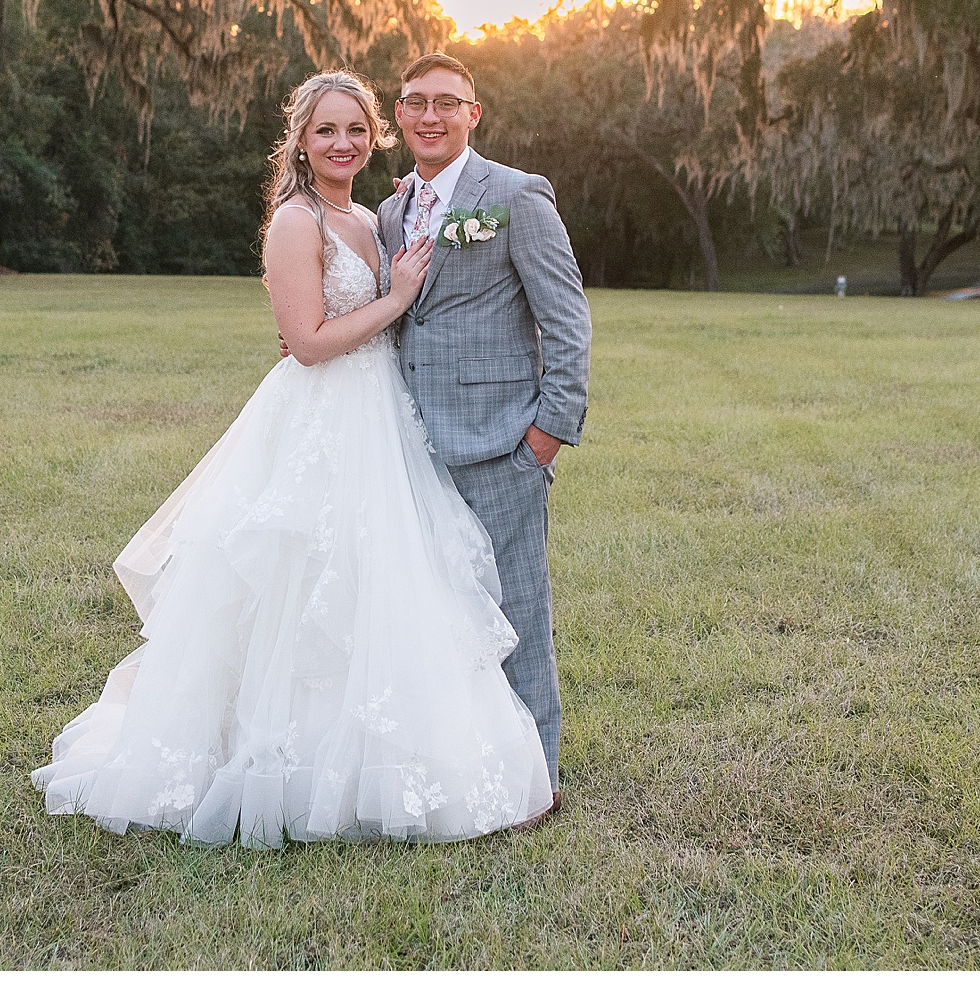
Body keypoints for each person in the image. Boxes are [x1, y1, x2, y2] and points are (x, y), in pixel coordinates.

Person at [32, 70, 555, 846]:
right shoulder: (296, 220)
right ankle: (286, 764)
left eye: (354, 129)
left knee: (385, 587)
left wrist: (392, 305)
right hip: (322, 419)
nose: (341, 142)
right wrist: (396, 299)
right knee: (305, 591)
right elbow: (308, 344)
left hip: (384, 417)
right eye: (325, 130)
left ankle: (384, 756)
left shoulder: (375, 217)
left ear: (373, 135)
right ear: (301, 141)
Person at [376, 52, 591, 817]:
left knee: (517, 614)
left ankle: (537, 781)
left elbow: (567, 321)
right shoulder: (392, 212)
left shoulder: (516, 196)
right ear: (398, 116)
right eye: (414, 103)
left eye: (446, 102)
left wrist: (545, 436)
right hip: (410, 447)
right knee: (436, 613)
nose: (429, 115)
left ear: (474, 112)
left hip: (502, 444)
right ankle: (458, 765)